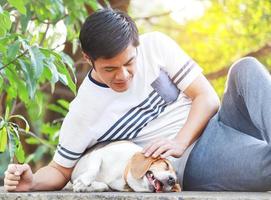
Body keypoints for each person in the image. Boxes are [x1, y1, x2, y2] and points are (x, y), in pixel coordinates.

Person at [3, 8, 270, 192]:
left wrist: (179, 140)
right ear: (88, 59)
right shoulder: (83, 113)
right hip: (195, 162)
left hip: (218, 124)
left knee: (245, 69)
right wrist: (33, 182)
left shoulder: (156, 46)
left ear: (137, 45)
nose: (123, 75)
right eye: (110, 69)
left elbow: (207, 98)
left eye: (129, 63)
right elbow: (60, 170)